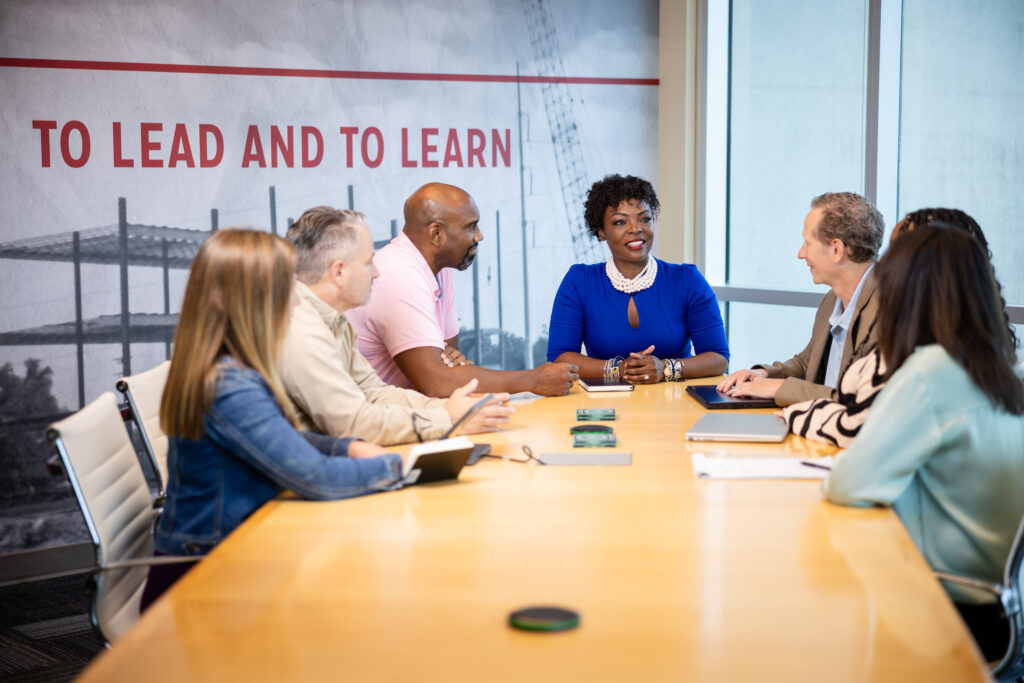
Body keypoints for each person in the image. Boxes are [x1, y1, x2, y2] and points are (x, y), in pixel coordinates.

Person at [141, 229, 404, 609]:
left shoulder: (229, 368)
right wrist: (399, 466)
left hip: (220, 559)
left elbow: (283, 439)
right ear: (254, 302)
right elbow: (316, 478)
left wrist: (349, 447)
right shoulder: (230, 387)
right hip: (202, 585)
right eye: (288, 288)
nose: (297, 301)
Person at [822, 223, 1024, 661]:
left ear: (908, 292)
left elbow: (847, 484)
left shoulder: (932, 371)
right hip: (1001, 607)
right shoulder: (1009, 365)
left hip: (945, 609)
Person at [783, 208, 1016, 447]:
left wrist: (797, 411)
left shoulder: (922, 369)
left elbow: (858, 431)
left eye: (897, 253)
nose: (884, 266)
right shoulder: (996, 366)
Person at [281, 206, 513, 445]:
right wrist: (447, 418)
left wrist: (456, 408)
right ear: (340, 272)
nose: (376, 272)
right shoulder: (299, 328)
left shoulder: (335, 319)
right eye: (368, 262)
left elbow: (374, 393)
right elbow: (352, 423)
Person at [346, 183, 578, 397]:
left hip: (407, 412)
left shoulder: (439, 270)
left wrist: (446, 371)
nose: (479, 235)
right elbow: (437, 382)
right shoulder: (399, 274)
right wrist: (532, 380)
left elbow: (451, 362)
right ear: (436, 234)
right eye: (470, 227)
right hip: (370, 424)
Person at [545, 174, 729, 383]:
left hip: (676, 406)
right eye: (620, 221)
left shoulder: (687, 280)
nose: (636, 228)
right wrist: (619, 370)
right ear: (601, 231)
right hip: (604, 407)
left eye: (645, 218)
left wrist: (667, 368)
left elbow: (719, 358)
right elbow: (560, 357)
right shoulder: (579, 282)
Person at [717, 192, 884, 406]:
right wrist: (762, 375)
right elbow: (807, 365)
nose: (801, 253)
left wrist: (780, 388)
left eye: (807, 243)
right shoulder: (833, 300)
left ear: (836, 249)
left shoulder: (886, 312)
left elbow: (857, 400)